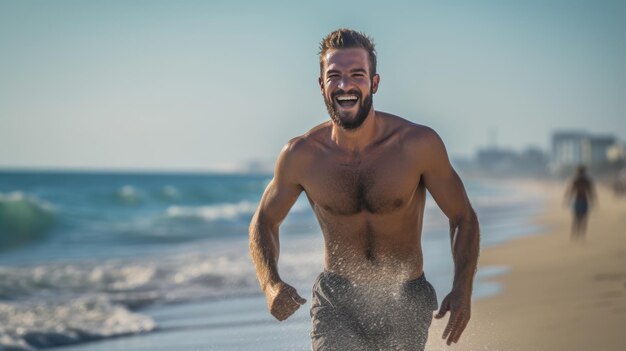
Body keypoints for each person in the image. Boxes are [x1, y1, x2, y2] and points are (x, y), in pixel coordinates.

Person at [249, 28, 480, 350]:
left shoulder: (417, 145)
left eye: (357, 74)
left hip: (406, 296)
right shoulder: (301, 156)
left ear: (374, 82)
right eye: (334, 76)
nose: (345, 85)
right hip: (337, 300)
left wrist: (462, 288)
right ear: (321, 85)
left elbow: (463, 217)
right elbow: (263, 221)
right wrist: (270, 284)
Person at [565, 165, 596, 239]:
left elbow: (570, 191)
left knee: (579, 218)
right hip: (580, 200)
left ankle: (578, 234)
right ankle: (578, 234)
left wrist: (567, 200)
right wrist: (593, 201)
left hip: (580, 200)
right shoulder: (582, 180)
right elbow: (571, 191)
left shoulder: (582, 180)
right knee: (579, 218)